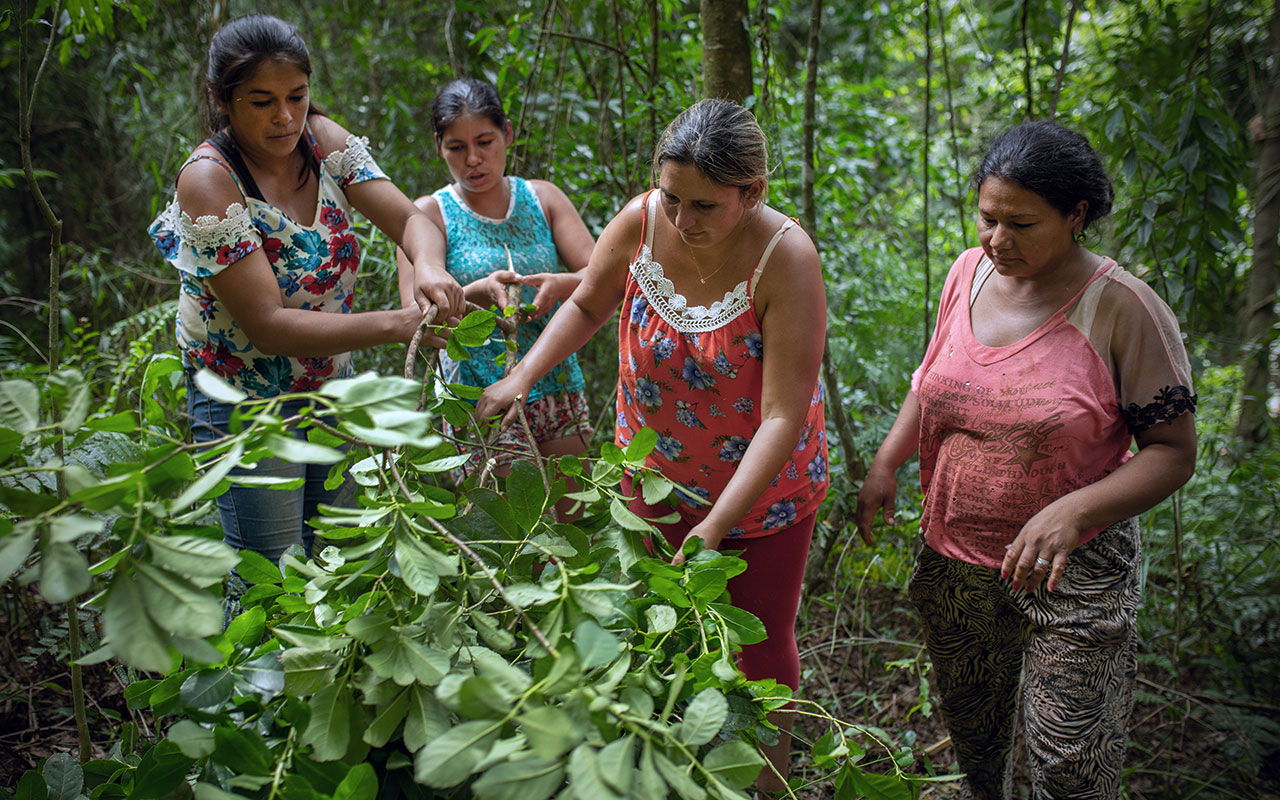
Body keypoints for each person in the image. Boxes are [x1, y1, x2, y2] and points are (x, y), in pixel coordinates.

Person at [477, 99, 829, 794]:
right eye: (671, 197)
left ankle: (767, 786)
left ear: (751, 193)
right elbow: (585, 303)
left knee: (757, 648)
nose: (681, 220)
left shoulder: (785, 259)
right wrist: (520, 378)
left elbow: (783, 416)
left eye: (703, 206)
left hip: (760, 497)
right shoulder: (642, 222)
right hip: (651, 477)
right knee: (651, 632)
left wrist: (716, 527)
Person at [855, 120, 1197, 799]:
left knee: (1069, 764)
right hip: (956, 557)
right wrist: (886, 465)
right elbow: (931, 383)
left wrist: (1074, 512)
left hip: (1074, 569)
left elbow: (1173, 452)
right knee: (976, 739)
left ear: (1075, 216)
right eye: (988, 218)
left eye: (1022, 223)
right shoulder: (967, 272)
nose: (998, 241)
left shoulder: (1124, 309)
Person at [147, 14, 465, 565]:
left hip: (327, 385)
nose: (286, 116)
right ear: (222, 100)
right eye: (262, 101)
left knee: (339, 558)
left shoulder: (321, 140)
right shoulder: (210, 180)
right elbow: (268, 327)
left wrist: (430, 266)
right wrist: (398, 323)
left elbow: (412, 221)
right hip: (244, 401)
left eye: (297, 95)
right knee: (270, 576)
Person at [399, 78, 595, 502]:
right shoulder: (426, 216)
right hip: (479, 397)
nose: (474, 159)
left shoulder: (543, 198)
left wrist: (560, 285)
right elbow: (416, 323)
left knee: (576, 523)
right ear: (439, 146)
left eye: (485, 141)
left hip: (556, 380)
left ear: (507, 133)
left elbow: (600, 276)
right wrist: (475, 294)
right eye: (456, 147)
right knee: (513, 535)